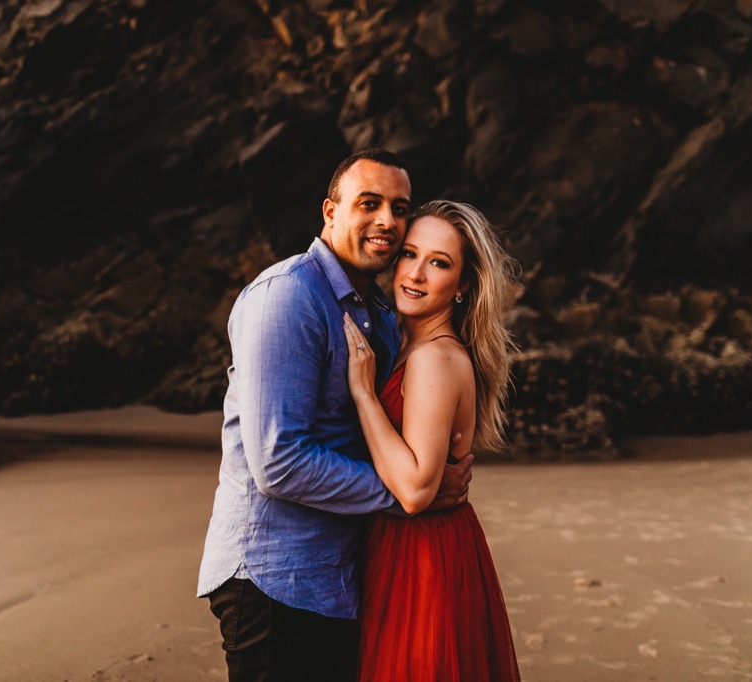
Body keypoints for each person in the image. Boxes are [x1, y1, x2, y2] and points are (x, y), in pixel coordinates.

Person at [197, 149, 473, 681]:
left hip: (342, 577)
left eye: (399, 208)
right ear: (330, 211)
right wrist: (410, 496)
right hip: (276, 576)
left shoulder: (380, 315)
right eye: (369, 203)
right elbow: (278, 462)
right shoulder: (288, 297)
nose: (387, 220)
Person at [343, 199, 521, 681]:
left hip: (423, 557)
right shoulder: (409, 347)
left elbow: (417, 490)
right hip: (415, 545)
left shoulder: (433, 359)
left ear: (462, 286)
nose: (416, 274)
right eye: (409, 254)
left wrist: (364, 395)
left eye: (439, 263)